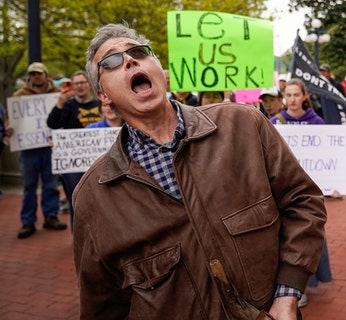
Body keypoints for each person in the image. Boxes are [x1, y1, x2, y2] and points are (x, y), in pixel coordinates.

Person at [74, 23, 326, 319]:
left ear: (159, 69)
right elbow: (102, 304)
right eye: (112, 61)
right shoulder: (93, 195)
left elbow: (304, 203)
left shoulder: (243, 125)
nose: (129, 60)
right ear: (103, 95)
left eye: (138, 52)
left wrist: (287, 295)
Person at [272, 78, 332, 308]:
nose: (293, 99)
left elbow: (329, 157)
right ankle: (288, 286)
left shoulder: (317, 122)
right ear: (283, 97)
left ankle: (305, 285)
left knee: (309, 233)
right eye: (289, 95)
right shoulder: (274, 123)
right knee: (284, 236)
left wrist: (333, 182)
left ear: (304, 96)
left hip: (309, 191)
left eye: (297, 95)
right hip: (282, 190)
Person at [8, 62, 66, 238]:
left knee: (51, 184)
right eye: (33, 74)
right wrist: (8, 128)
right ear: (29, 77)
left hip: (50, 148)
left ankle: (51, 216)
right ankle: (28, 221)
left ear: (46, 75)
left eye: (39, 74)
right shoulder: (19, 96)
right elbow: (11, 120)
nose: (36, 77)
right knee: (29, 186)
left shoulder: (58, 95)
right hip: (28, 149)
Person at [47, 70, 102, 229]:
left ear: (89, 85)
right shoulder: (68, 105)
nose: (80, 86)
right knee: (76, 200)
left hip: (97, 159)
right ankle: (78, 234)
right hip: (74, 163)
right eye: (76, 83)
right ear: (72, 86)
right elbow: (53, 124)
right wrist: (59, 104)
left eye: (83, 82)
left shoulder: (99, 103)